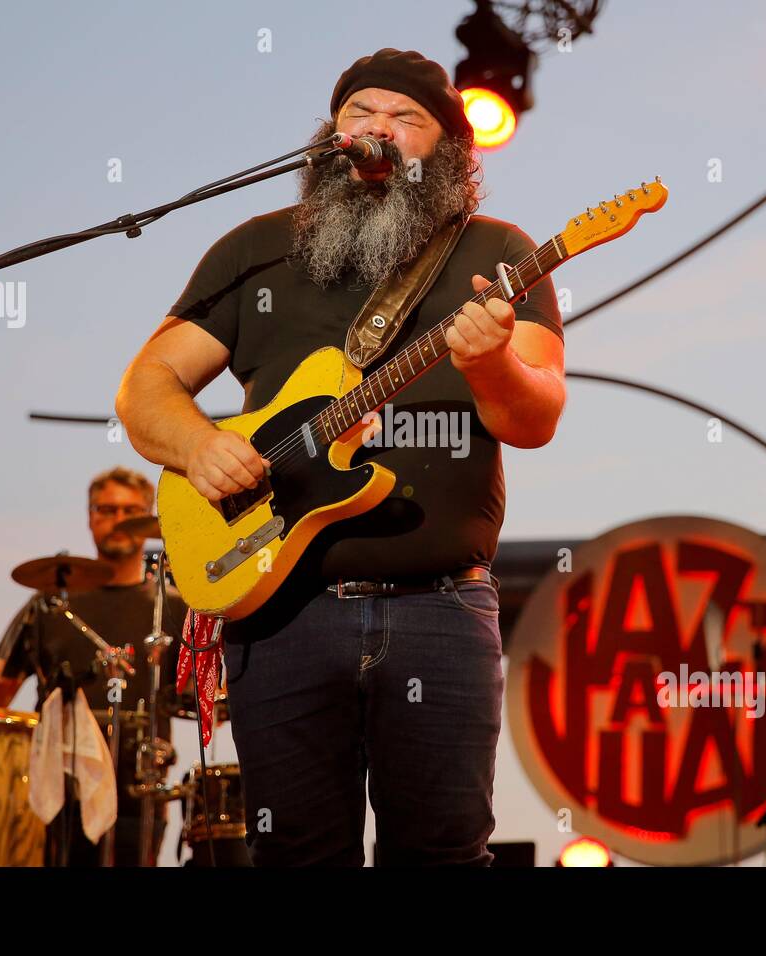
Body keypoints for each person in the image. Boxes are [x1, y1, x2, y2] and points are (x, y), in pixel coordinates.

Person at [115, 49, 566, 866]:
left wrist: (492, 362)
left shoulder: (498, 252)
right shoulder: (255, 251)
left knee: (443, 853)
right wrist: (198, 443)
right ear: (330, 137)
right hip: (280, 607)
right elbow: (147, 387)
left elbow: (537, 417)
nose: (376, 130)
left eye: (406, 118)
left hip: (443, 610)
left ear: (451, 151)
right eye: (358, 114)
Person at [0, 466, 188, 866]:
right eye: (106, 510)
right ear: (89, 517)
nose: (118, 520)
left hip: (139, 790)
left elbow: (198, 697)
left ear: (149, 518)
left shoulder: (171, 605)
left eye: (131, 510)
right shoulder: (53, 603)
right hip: (58, 788)